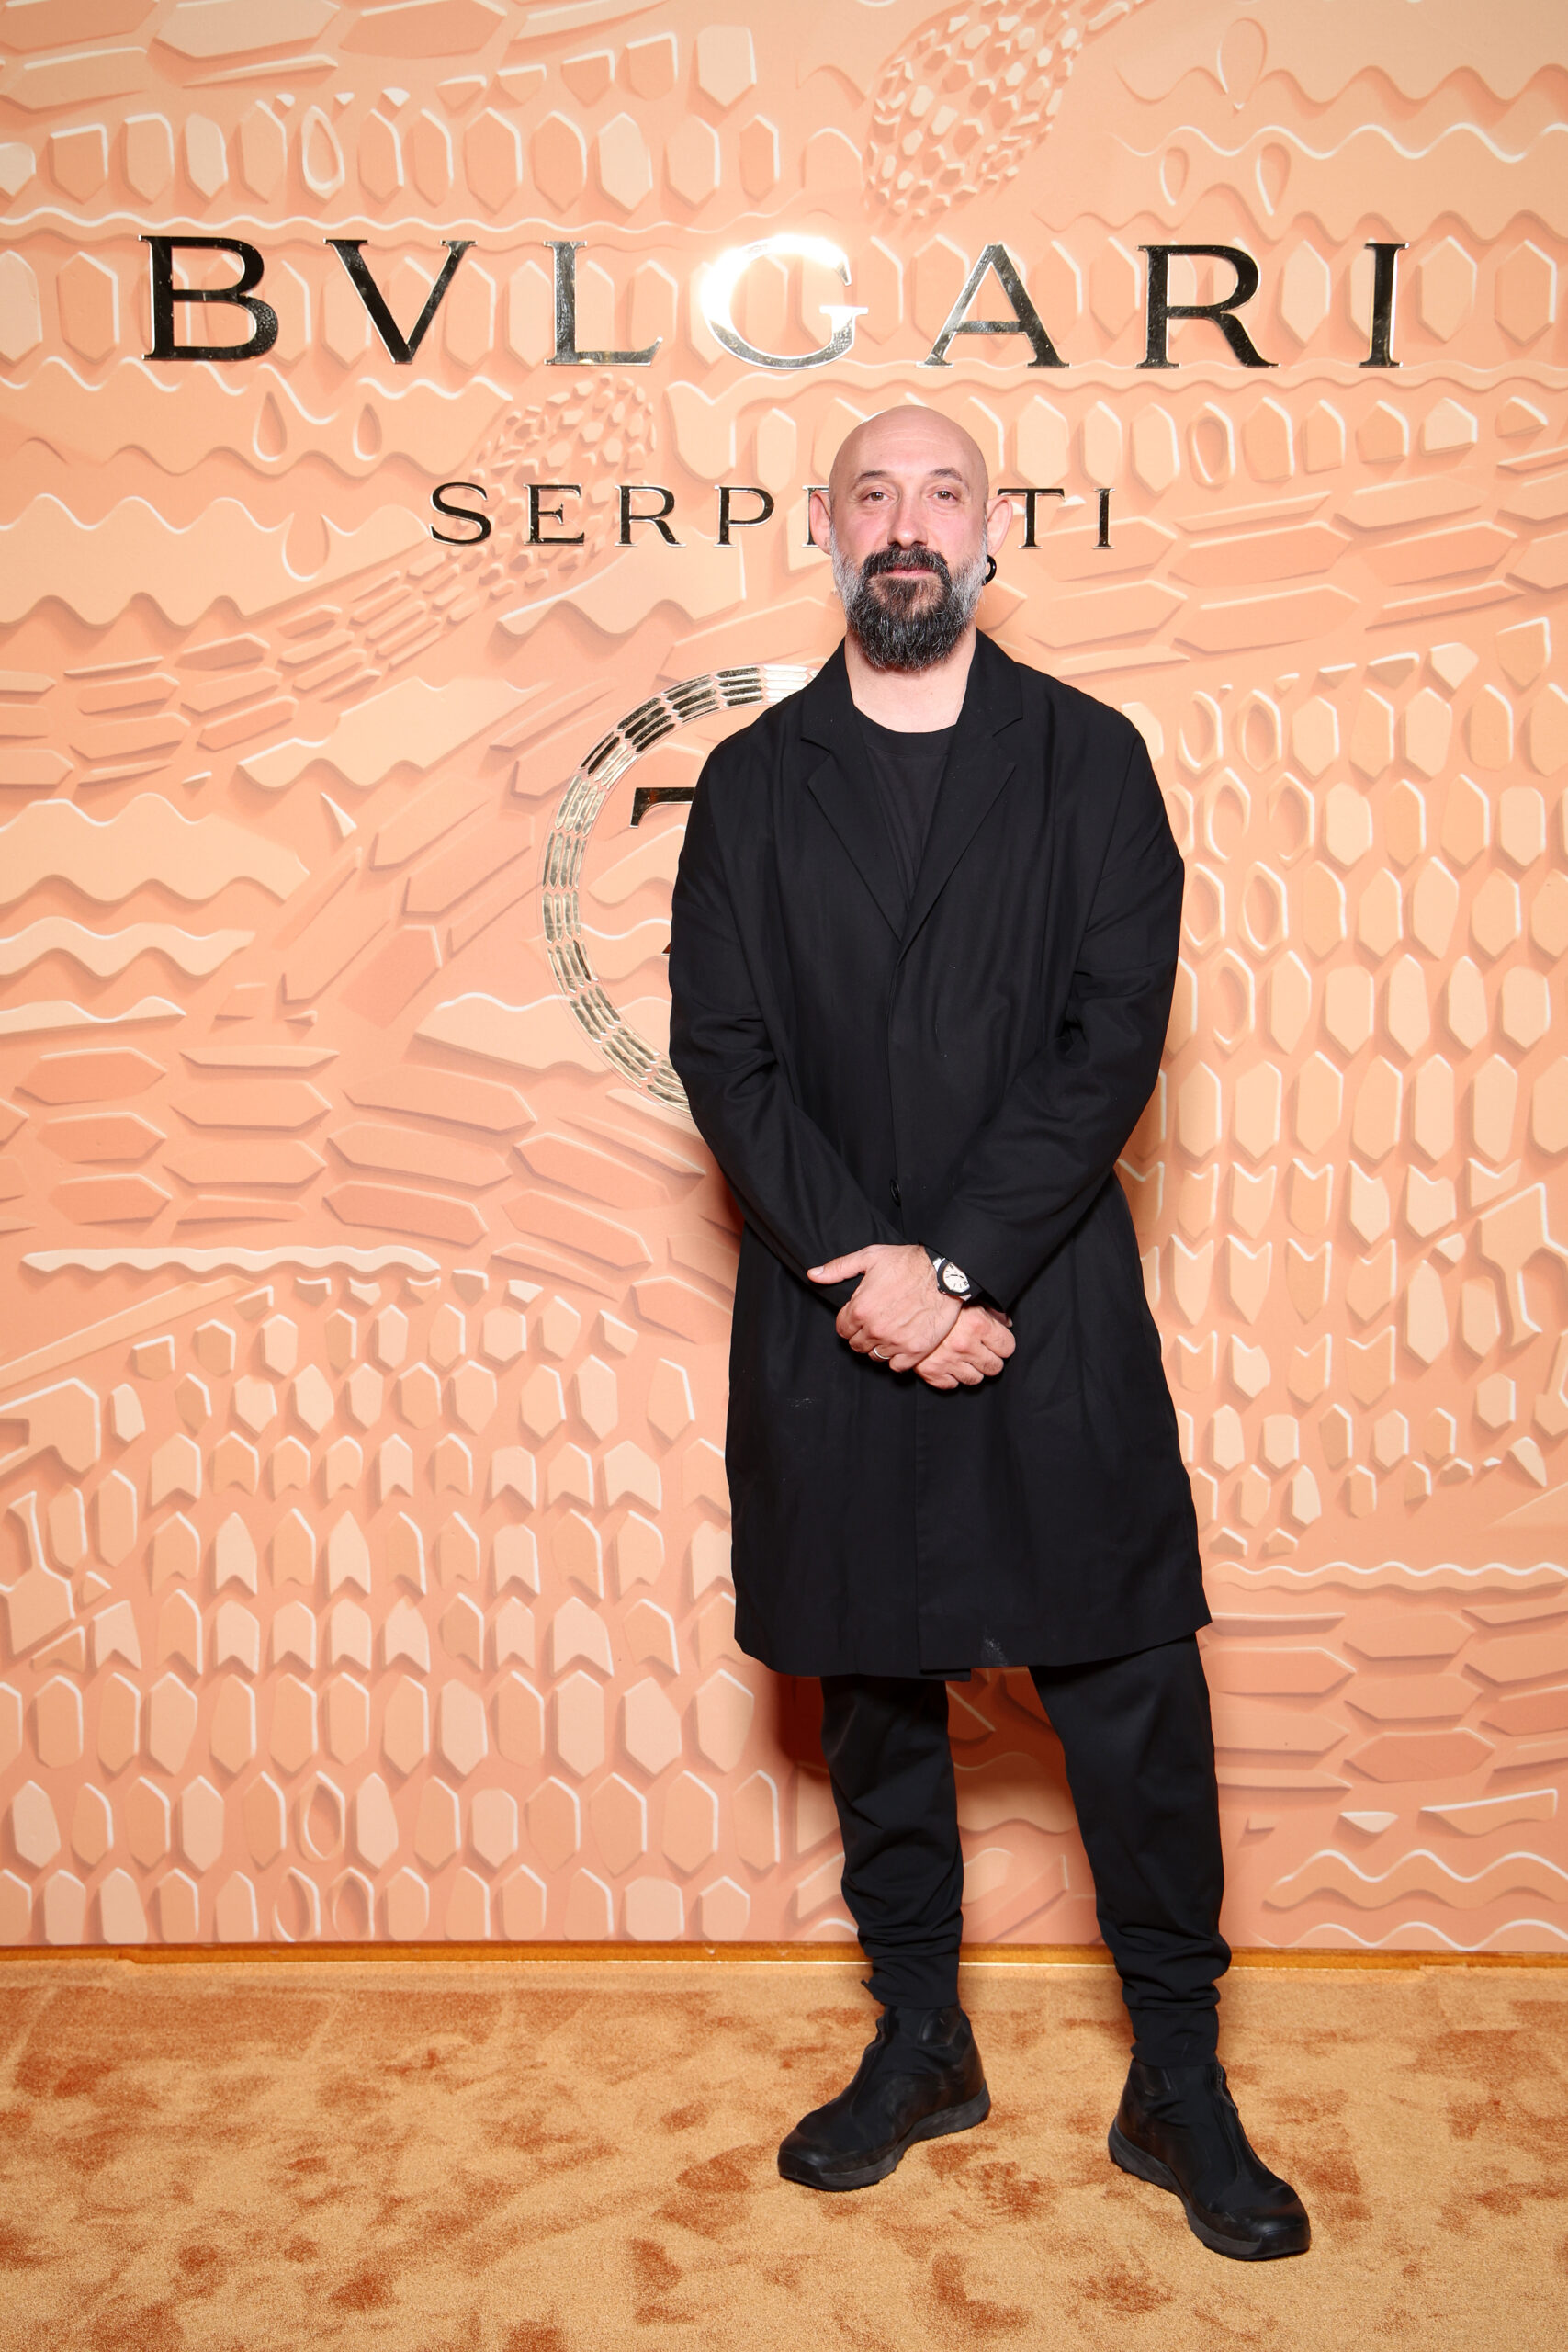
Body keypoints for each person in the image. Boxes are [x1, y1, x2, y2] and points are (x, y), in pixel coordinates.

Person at [667, 405, 1310, 2262]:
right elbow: (725, 1052)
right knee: (871, 1690)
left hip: (1044, 1309)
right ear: (824, 532)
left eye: (939, 494)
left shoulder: (1089, 758)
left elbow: (1111, 1038)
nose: (906, 523)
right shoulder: (750, 781)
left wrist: (950, 1273)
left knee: (1131, 1692)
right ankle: (921, 2039)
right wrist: (867, 1273)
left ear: (991, 533)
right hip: (829, 1315)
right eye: (872, 494)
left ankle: (1175, 2075)